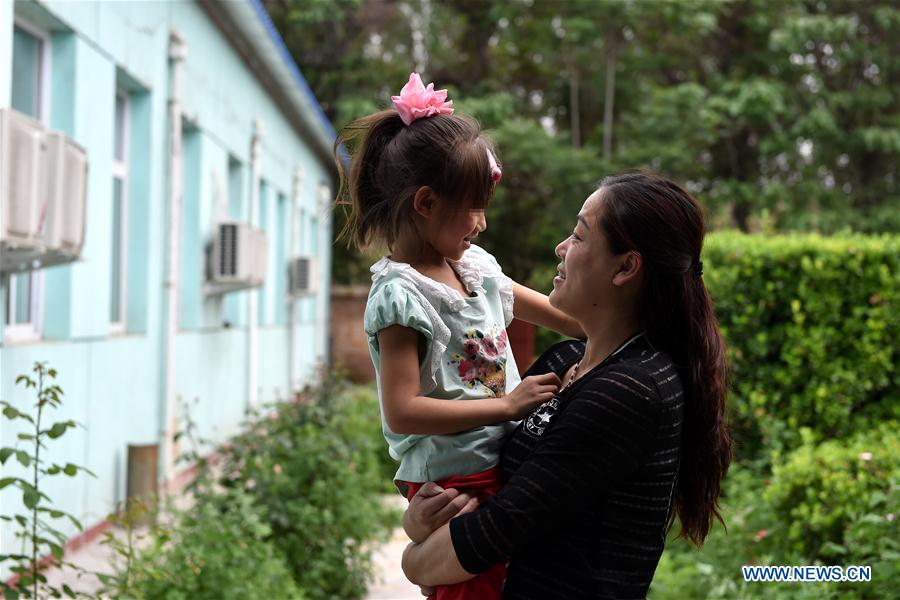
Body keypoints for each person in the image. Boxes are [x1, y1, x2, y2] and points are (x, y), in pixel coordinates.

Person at [401, 172, 733, 599]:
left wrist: (413, 561)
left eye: (578, 236)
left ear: (626, 266)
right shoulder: (564, 363)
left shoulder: (632, 391)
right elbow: (481, 471)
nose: (561, 247)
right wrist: (418, 522)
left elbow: (495, 530)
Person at [334, 73, 583, 600]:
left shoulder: (476, 268)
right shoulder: (400, 296)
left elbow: (565, 318)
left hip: (497, 462)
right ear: (425, 203)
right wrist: (507, 406)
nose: (483, 224)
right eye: (474, 207)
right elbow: (402, 410)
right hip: (455, 481)